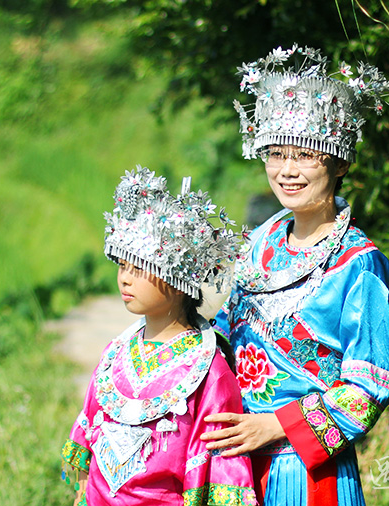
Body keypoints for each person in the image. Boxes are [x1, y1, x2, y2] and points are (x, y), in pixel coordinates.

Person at [200, 45, 389, 506]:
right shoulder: (258, 244)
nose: (287, 171)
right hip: (235, 462)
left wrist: (274, 426)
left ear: (340, 163)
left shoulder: (357, 264)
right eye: (276, 154)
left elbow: (371, 383)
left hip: (306, 471)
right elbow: (225, 340)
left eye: (306, 156)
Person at [61, 166, 258, 506]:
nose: (125, 279)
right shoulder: (115, 354)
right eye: (123, 266)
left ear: (178, 281)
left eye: (139, 268)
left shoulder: (211, 373)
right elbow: (87, 440)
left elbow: (219, 470)